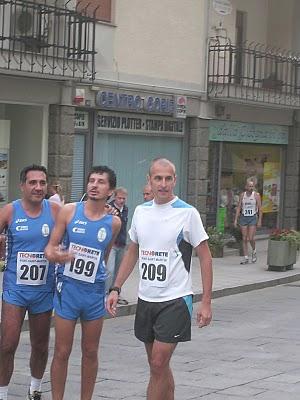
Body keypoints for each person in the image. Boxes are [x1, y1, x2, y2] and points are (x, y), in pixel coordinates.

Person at [107, 158, 213, 400]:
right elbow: (133, 250)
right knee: (158, 366)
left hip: (175, 300)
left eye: (168, 178)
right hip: (147, 299)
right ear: (149, 181)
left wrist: (206, 301)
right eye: (158, 178)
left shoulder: (188, 213)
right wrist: (115, 288)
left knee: (157, 362)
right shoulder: (141, 211)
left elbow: (205, 257)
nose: (163, 184)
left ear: (175, 180)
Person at [44, 166, 121, 400]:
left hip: (93, 294)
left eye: (101, 182)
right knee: (62, 350)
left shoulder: (113, 223)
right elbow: (49, 248)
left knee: (90, 352)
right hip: (68, 290)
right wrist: (58, 256)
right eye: (91, 181)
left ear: (110, 190)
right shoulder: (69, 211)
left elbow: (104, 257)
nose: (94, 185)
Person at [0, 164, 61, 400]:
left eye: (42, 183)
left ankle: (35, 389)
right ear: (22, 186)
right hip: (15, 289)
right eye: (33, 183)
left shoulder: (56, 211)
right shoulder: (10, 211)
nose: (38, 187)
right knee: (7, 344)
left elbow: (79, 224)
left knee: (41, 345)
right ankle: (3, 393)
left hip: (44, 291)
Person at [105, 187, 129, 305]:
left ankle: (115, 293)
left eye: (124, 198)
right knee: (109, 269)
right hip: (112, 243)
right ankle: (105, 294)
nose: (121, 200)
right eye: (119, 198)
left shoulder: (125, 209)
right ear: (115, 197)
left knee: (118, 270)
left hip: (122, 243)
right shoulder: (109, 208)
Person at [234, 179, 262, 264]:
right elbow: (239, 207)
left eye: (252, 186)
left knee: (251, 238)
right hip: (244, 217)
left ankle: (254, 251)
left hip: (252, 217)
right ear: (246, 187)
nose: (251, 188)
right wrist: (235, 219)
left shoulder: (256, 195)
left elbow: (260, 209)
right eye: (249, 186)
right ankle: (246, 257)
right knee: (244, 238)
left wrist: (260, 220)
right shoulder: (242, 195)